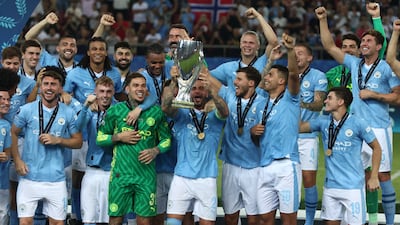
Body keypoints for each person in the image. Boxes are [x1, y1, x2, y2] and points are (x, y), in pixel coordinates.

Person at [316, 6, 400, 225]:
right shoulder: (354, 63)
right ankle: (358, 218)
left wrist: (374, 94)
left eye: (368, 41)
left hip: (379, 127)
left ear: (379, 46)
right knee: (357, 174)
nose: (363, 44)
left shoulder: (385, 67)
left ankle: (390, 223)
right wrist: (323, 19)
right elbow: (328, 46)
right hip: (354, 126)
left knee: (382, 176)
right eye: (362, 41)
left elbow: (397, 98)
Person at [96, 72, 171, 225]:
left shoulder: (156, 112)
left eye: (143, 86)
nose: (140, 89)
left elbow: (167, 139)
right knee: (115, 220)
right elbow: (100, 138)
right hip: (120, 176)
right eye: (136, 85)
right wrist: (118, 137)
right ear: (127, 89)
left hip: (146, 176)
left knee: (144, 221)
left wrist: (155, 150)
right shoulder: (115, 111)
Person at [10, 67, 83, 225]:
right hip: (29, 177)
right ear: (40, 87)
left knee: (57, 223)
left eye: (53, 84)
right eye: (46, 84)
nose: (49, 88)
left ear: (60, 88)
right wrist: (17, 160)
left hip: (56, 179)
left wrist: (59, 140)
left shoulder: (68, 113)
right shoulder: (27, 109)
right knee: (25, 222)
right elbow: (13, 133)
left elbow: (78, 141)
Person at [300, 87, 381, 225]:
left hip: (352, 188)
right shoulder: (323, 121)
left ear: (340, 102)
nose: (325, 101)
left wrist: (373, 177)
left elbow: (377, 148)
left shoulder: (357, 123)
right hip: (330, 188)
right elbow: (299, 127)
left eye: (329, 98)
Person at [162, 71, 229, 225]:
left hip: (206, 179)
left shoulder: (214, 115)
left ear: (206, 92)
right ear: (189, 92)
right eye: (194, 88)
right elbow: (165, 107)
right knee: (173, 222)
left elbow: (225, 112)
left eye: (201, 88)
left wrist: (214, 93)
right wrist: (173, 82)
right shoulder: (182, 113)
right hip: (182, 177)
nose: (197, 91)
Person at [251, 33, 301, 225]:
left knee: (289, 220)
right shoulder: (262, 104)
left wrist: (289, 50)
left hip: (286, 165)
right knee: (265, 219)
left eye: (270, 74)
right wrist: (252, 132)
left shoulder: (291, 98)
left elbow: (294, 76)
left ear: (282, 81)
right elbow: (257, 137)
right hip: (264, 165)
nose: (267, 77)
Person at [206, 66, 265, 225]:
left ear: (251, 83)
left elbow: (267, 137)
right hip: (230, 165)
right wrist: (194, 56)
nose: (235, 82)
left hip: (254, 167)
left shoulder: (263, 104)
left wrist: (256, 133)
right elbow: (206, 75)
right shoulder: (229, 96)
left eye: (239, 79)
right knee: (230, 216)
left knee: (254, 218)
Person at [1, 47, 35, 225]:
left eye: (15, 63)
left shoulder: (28, 84)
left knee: (12, 190)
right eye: (8, 63)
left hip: (17, 140)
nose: (12, 66)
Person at [294, 41, 327, 225]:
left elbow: (319, 103)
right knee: (288, 181)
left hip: (307, 137)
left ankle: (309, 221)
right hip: (287, 136)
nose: (297, 56)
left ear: (310, 58)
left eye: (300, 53)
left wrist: (300, 104)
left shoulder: (318, 76)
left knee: (308, 180)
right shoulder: (286, 76)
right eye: (294, 53)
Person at [76, 76, 115, 225]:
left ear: (113, 92)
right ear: (95, 93)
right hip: (91, 171)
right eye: (101, 91)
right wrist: (86, 106)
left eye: (108, 92)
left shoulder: (119, 110)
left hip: (112, 171)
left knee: (109, 219)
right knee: (89, 218)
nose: (105, 95)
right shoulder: (89, 110)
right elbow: (76, 128)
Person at [210, 7, 279, 91]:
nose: (247, 45)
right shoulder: (228, 68)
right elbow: (206, 75)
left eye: (251, 43)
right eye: (245, 42)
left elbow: (274, 42)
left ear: (258, 46)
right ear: (240, 44)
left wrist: (258, 16)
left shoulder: (264, 62)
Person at [0, 83, 13, 225]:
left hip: (2, 181)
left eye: (8, 99)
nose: (6, 102)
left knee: (3, 215)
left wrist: (5, 156)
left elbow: (8, 153)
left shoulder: (6, 125)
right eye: (1, 99)